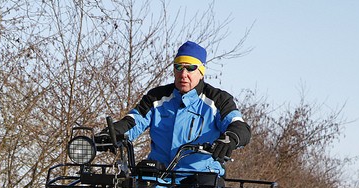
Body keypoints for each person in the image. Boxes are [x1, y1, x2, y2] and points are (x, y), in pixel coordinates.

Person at [102, 40, 251, 177]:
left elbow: (239, 125)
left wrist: (230, 139)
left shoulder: (217, 100)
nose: (183, 74)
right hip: (157, 177)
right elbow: (133, 121)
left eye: (190, 68)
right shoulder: (157, 97)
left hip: (200, 180)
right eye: (178, 67)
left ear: (201, 72)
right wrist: (111, 134)